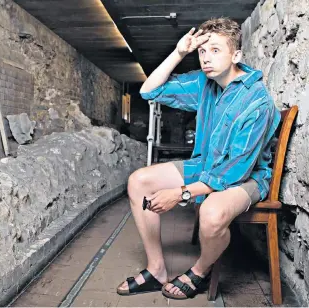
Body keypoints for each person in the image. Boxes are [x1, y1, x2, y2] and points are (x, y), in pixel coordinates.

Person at [115, 17, 281, 300]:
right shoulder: (205, 83)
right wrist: (180, 53)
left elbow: (233, 173)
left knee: (212, 213)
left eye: (215, 50)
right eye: (202, 51)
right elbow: (149, 91)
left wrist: (180, 194)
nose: (206, 58)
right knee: (139, 181)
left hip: (248, 177)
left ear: (236, 55)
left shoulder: (257, 102)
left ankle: (200, 272)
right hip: (207, 167)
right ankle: (156, 270)